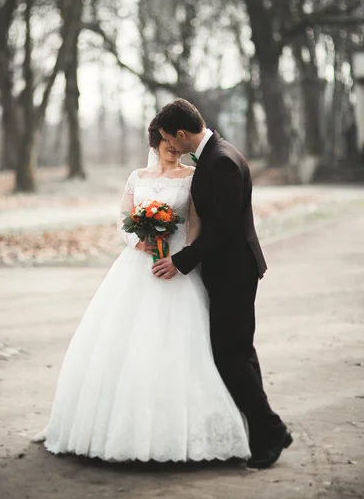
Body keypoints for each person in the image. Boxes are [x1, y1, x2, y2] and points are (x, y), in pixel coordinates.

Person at [33, 116, 250, 463]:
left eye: (176, 145)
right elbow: (123, 220)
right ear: (156, 142)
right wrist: (140, 243)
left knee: (184, 345)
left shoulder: (193, 178)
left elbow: (195, 222)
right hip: (138, 265)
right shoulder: (138, 177)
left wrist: (181, 258)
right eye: (166, 143)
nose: (172, 149)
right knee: (125, 341)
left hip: (176, 265)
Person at [152, 99, 292, 469]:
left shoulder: (222, 162)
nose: (170, 146)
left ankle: (271, 429)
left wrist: (180, 261)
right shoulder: (217, 152)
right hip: (228, 272)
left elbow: (224, 229)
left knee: (229, 355)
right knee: (241, 353)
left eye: (170, 139)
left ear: (181, 134)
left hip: (234, 273)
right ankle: (262, 435)